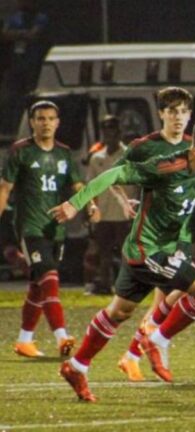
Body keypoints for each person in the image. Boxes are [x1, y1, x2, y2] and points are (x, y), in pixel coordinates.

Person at [53, 113, 195, 402]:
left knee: (119, 313)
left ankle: (76, 366)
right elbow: (114, 174)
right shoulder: (168, 166)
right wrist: (75, 204)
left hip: (159, 251)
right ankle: (157, 340)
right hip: (147, 250)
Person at [114, 87, 195, 382]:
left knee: (173, 296)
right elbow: (117, 173)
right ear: (161, 114)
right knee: (176, 294)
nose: (179, 117)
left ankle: (136, 354)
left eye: (183, 111)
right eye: (172, 111)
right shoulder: (146, 146)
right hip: (154, 236)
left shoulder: (193, 145)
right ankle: (140, 350)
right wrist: (125, 202)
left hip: (180, 232)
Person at [0, 100, 100, 358]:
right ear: (32, 122)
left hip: (55, 229)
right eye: (40, 118)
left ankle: (24, 340)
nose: (45, 123)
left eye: (50, 118)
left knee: (38, 284)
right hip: (30, 227)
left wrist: (89, 206)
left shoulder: (64, 154)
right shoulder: (21, 151)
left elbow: (77, 186)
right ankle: (62, 336)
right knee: (50, 278)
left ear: (58, 122)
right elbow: (5, 189)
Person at [84, 115, 133, 295]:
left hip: (123, 212)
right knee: (103, 251)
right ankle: (104, 282)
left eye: (113, 131)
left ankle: (127, 284)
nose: (109, 135)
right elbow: (90, 185)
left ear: (119, 133)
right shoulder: (97, 158)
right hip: (103, 212)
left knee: (125, 250)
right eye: (106, 131)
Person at [0, 0, 50, 134]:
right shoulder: (15, 17)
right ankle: (9, 129)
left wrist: (16, 35)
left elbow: (34, 35)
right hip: (15, 65)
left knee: (29, 97)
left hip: (32, 65)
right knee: (11, 98)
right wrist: (23, 35)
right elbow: (4, 35)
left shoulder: (40, 18)